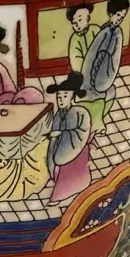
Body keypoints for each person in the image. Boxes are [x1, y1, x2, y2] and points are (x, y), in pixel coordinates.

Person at [81, 0, 130, 132]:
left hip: (102, 76)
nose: (119, 19)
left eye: (122, 17)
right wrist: (93, 79)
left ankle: (96, 121)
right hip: (94, 77)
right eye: (118, 15)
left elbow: (111, 58)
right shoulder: (106, 32)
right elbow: (95, 57)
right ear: (111, 13)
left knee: (106, 94)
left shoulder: (115, 32)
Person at [46, 72, 93, 204]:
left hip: (76, 148)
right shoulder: (59, 114)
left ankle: (58, 196)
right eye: (59, 97)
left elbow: (81, 132)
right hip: (62, 148)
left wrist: (61, 134)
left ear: (72, 97)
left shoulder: (80, 112)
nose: (61, 100)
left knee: (68, 172)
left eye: (65, 96)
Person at [66, 3, 100, 74]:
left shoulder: (96, 29)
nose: (77, 25)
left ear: (88, 18)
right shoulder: (74, 39)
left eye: (80, 20)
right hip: (83, 72)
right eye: (74, 22)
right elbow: (76, 61)